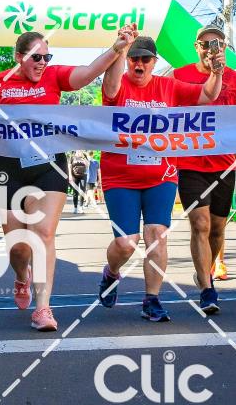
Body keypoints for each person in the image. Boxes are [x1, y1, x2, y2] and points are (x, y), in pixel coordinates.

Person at [0, 25, 139, 332]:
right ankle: (21, 277)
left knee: (42, 234)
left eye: (47, 57)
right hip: (8, 168)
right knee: (19, 247)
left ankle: (43, 308)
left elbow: (88, 73)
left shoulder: (54, 77)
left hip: (49, 165)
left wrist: (117, 47)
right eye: (36, 57)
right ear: (19, 57)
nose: (42, 63)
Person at [98, 35, 223, 322]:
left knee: (156, 236)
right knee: (127, 242)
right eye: (134, 58)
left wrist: (216, 72)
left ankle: (151, 300)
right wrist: (121, 50)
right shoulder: (117, 82)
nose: (139, 64)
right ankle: (111, 273)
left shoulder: (168, 86)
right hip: (120, 177)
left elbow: (208, 96)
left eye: (145, 59)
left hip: (161, 176)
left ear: (154, 62)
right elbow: (111, 88)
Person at [169, 19, 236, 313]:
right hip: (190, 162)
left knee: (218, 228)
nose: (212, 48)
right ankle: (207, 287)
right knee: (201, 224)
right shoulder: (179, 75)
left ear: (224, 48)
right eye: (206, 44)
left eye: (218, 43)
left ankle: (205, 270)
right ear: (197, 48)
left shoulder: (235, 78)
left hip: (223, 164)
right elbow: (158, 108)